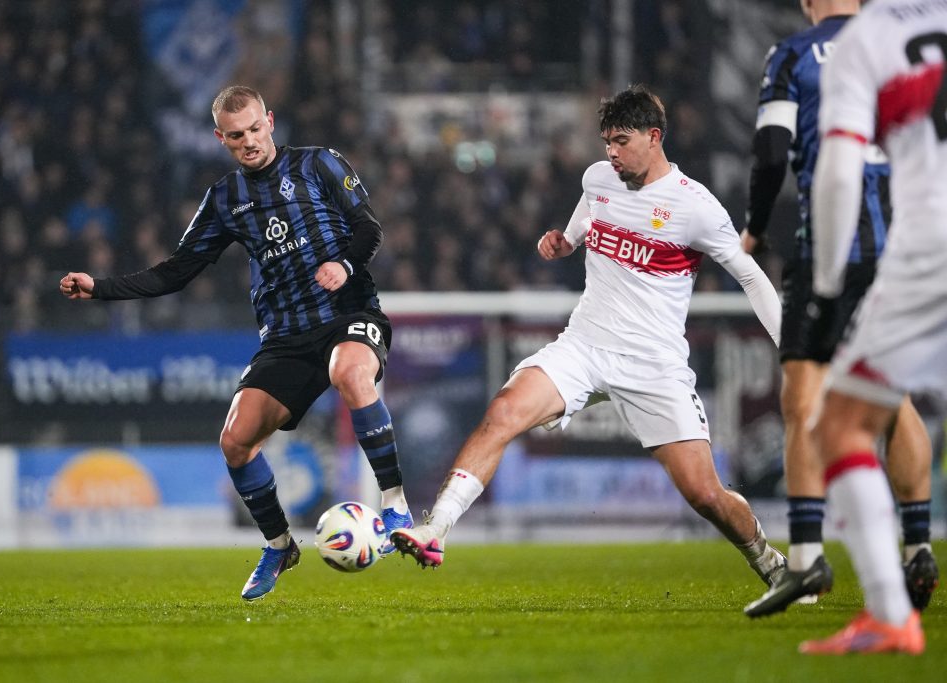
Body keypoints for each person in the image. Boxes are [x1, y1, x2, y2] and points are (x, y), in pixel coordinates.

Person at [392, 84, 789, 590]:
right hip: (584, 345)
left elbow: (752, 277)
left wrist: (791, 349)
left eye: (622, 141)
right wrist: (564, 242)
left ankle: (769, 561)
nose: (612, 152)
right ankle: (437, 529)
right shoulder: (599, 178)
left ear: (654, 136)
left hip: (653, 364)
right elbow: (582, 223)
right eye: (607, 142)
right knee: (503, 413)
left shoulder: (696, 207)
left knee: (705, 495)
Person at [59, 85, 413, 601]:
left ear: (270, 121)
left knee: (350, 372)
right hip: (286, 336)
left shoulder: (319, 163)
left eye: (254, 129)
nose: (248, 141)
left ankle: (395, 504)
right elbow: (176, 272)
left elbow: (369, 229)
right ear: (220, 138)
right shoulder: (225, 199)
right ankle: (279, 545)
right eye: (235, 135)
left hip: (350, 313)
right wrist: (100, 288)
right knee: (235, 441)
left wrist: (343, 263)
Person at [740, 0, 937, 618]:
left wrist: (755, 227)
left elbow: (773, 151)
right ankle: (918, 547)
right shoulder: (909, 44)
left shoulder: (796, 55)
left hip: (832, 242)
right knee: (891, 399)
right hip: (907, 244)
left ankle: (805, 559)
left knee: (803, 400)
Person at [796, 0, 947, 655]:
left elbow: (838, 172)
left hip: (930, 246)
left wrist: (827, 289)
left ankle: (891, 613)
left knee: (840, 424)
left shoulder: (865, 42)